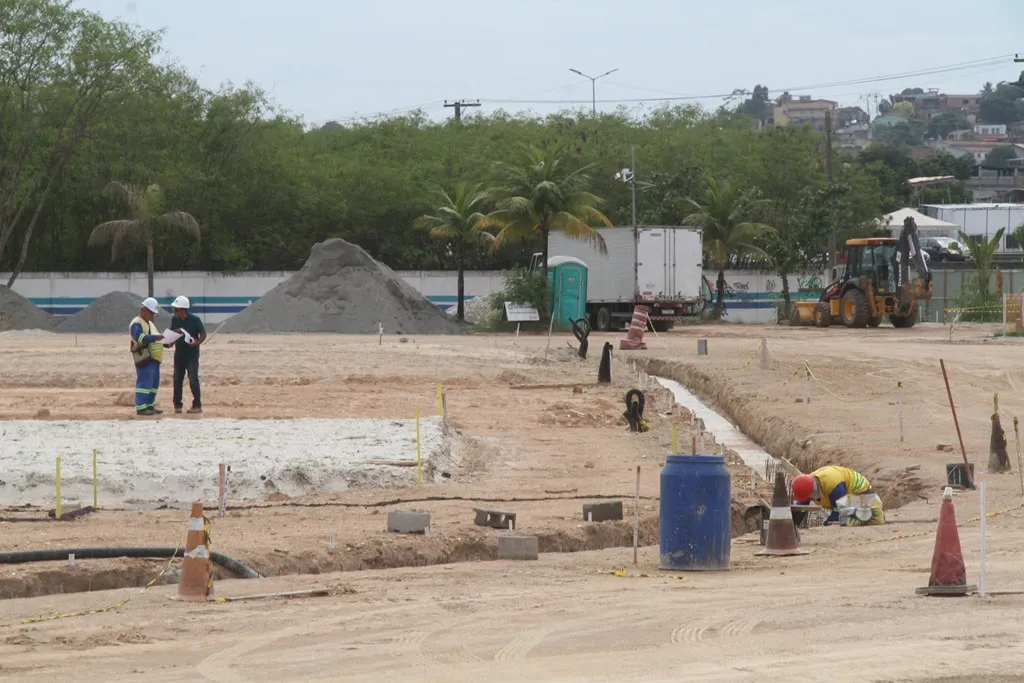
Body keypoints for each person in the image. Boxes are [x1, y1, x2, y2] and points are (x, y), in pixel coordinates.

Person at [791, 466, 885, 527]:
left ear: (812, 491)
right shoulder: (809, 483)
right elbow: (801, 506)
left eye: (808, 497)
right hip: (844, 493)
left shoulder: (834, 486)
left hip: (862, 493)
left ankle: (867, 514)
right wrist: (793, 523)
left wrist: (827, 524)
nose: (808, 499)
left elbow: (839, 510)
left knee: (844, 519)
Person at [169, 295, 207, 414]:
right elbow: (172, 334)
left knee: (193, 379)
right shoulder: (174, 320)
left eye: (176, 310)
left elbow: (203, 334)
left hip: (192, 355)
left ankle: (197, 405)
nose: (174, 312)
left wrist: (197, 342)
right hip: (179, 355)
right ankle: (177, 405)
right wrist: (169, 341)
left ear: (183, 309)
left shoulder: (195, 320)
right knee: (177, 380)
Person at [130, 297, 165, 416]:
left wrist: (166, 342)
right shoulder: (136, 323)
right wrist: (157, 338)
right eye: (151, 313)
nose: (152, 316)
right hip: (144, 358)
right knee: (144, 383)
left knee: (153, 384)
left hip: (154, 359)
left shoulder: (149, 323)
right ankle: (141, 407)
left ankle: (149, 405)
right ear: (143, 310)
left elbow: (155, 339)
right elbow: (139, 338)